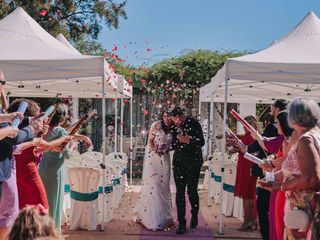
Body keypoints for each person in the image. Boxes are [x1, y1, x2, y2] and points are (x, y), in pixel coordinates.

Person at [259, 98, 320, 239]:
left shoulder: (307, 139)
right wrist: (274, 177)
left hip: (305, 208)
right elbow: (296, 169)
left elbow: (311, 178)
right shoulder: (314, 135)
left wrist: (281, 186)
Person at [7, 99, 73, 210]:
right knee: (42, 207)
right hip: (29, 173)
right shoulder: (27, 133)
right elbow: (45, 145)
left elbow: (32, 150)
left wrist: (46, 144)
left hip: (16, 175)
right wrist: (64, 138)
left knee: (23, 209)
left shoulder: (17, 132)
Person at [0, 75, 44, 240]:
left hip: (7, 171)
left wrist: (26, 120)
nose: (4, 86)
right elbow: (11, 139)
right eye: (2, 82)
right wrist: (31, 130)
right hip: (6, 171)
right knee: (6, 219)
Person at [39, 106, 91, 231]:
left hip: (42, 168)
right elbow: (67, 153)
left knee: (44, 199)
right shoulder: (61, 131)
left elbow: (69, 135)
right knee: (55, 200)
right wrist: (74, 145)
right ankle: (53, 229)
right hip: (55, 170)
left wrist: (82, 137)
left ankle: (42, 227)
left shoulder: (44, 130)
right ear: (62, 118)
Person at [134, 110, 174, 230]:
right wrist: (156, 150)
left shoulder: (174, 128)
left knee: (164, 186)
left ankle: (165, 217)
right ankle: (152, 218)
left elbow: (174, 144)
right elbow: (150, 142)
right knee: (154, 186)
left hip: (165, 158)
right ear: (162, 116)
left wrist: (166, 149)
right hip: (153, 158)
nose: (167, 118)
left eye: (169, 116)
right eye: (165, 116)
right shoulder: (156, 125)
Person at [170, 107, 205, 234]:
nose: (175, 122)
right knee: (179, 192)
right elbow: (174, 143)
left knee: (191, 191)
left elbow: (202, 142)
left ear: (180, 116)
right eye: (173, 120)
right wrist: (166, 146)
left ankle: (194, 213)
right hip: (179, 162)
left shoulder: (194, 123)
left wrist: (189, 140)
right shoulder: (174, 127)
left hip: (193, 162)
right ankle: (181, 223)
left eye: (176, 119)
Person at [232, 116, 258, 231]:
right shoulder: (250, 135)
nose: (243, 127)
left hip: (248, 167)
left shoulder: (253, 136)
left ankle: (248, 221)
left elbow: (251, 150)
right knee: (248, 195)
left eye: (245, 125)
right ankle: (251, 220)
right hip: (245, 165)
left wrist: (239, 149)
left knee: (247, 195)